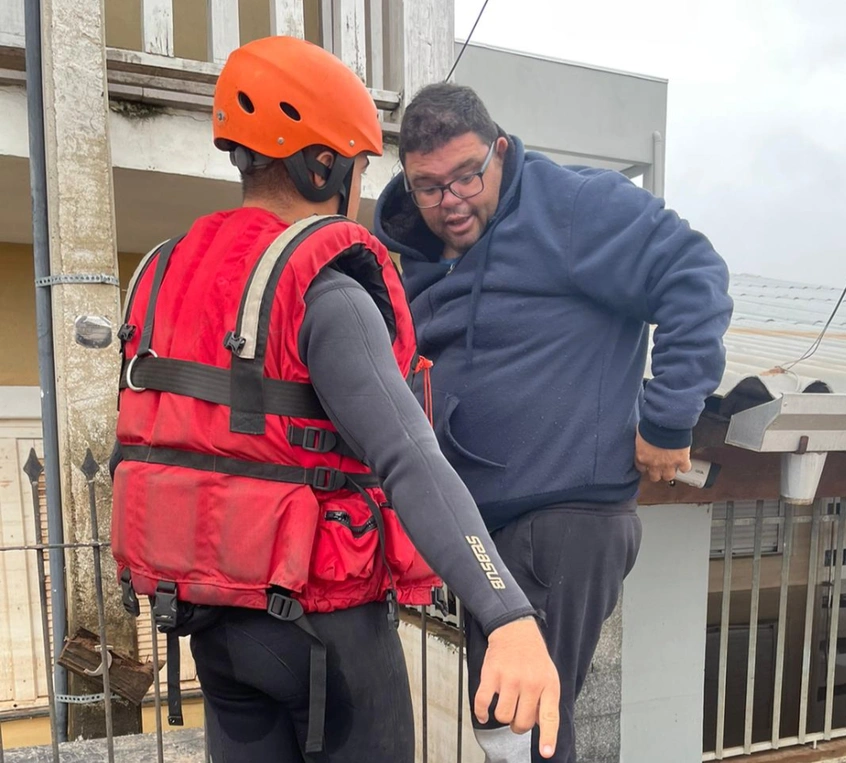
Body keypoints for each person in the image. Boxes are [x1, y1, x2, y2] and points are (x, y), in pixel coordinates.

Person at [109, 39, 560, 763]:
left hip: (213, 628)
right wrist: (506, 610)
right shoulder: (322, 283)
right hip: (325, 634)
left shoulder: (163, 273)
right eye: (358, 165)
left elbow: (150, 439)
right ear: (326, 166)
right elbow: (410, 458)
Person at [374, 83, 734, 763]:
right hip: (483, 534)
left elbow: (695, 275)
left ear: (501, 151)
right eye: (428, 186)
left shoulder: (571, 207)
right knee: (513, 731)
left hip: (565, 519)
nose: (450, 201)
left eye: (467, 175)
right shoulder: (416, 249)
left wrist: (666, 419)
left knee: (524, 733)